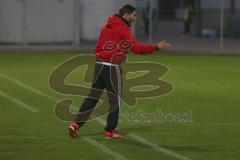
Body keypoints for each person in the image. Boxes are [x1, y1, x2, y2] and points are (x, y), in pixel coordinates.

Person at [68, 4, 170, 139]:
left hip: (99, 65)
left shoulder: (106, 26)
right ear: (126, 15)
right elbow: (138, 48)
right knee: (115, 100)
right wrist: (156, 47)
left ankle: (75, 125)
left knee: (92, 98)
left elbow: (99, 45)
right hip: (111, 67)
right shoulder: (124, 29)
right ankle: (110, 131)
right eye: (133, 16)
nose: (134, 19)